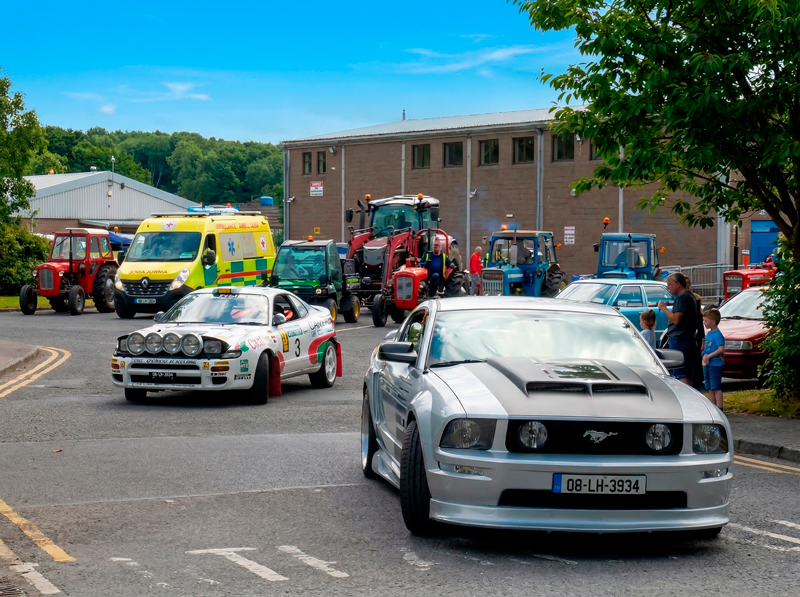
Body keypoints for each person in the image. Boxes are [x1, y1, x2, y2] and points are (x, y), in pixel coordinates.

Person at [658, 272, 700, 385]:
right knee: (685, 373)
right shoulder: (689, 296)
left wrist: (664, 308)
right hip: (686, 339)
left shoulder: (682, 298)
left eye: (670, 284)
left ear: (678, 284)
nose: (668, 287)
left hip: (680, 340)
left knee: (681, 373)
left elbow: (676, 319)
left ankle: (685, 398)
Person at [701, 308, 725, 411]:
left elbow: (721, 349)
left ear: (713, 322)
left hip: (715, 364)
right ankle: (712, 408)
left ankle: (719, 408)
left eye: (706, 321)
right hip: (707, 363)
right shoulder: (709, 334)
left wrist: (710, 356)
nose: (704, 323)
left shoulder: (718, 335)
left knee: (716, 388)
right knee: (710, 388)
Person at [685, 277, 706, 391]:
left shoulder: (689, 299)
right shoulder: (694, 299)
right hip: (697, 336)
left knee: (693, 360)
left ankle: (695, 380)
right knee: (696, 358)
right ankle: (698, 378)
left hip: (693, 336)